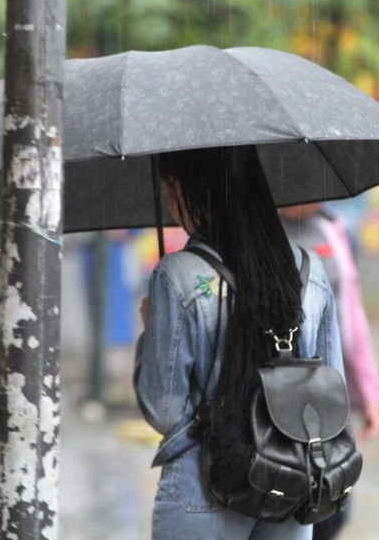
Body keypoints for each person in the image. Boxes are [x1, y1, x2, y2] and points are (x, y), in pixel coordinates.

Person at [134, 146, 344, 540]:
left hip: (203, 487)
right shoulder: (309, 271)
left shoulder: (177, 276)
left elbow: (162, 410)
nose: (167, 202)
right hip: (291, 488)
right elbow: (332, 394)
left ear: (182, 189)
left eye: (166, 192)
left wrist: (150, 334)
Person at [280, 203, 379, 540]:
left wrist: (368, 392)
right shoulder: (259, 228)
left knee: (333, 501)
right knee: (283, 498)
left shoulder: (332, 230)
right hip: (274, 398)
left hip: (327, 397)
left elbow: (351, 319)